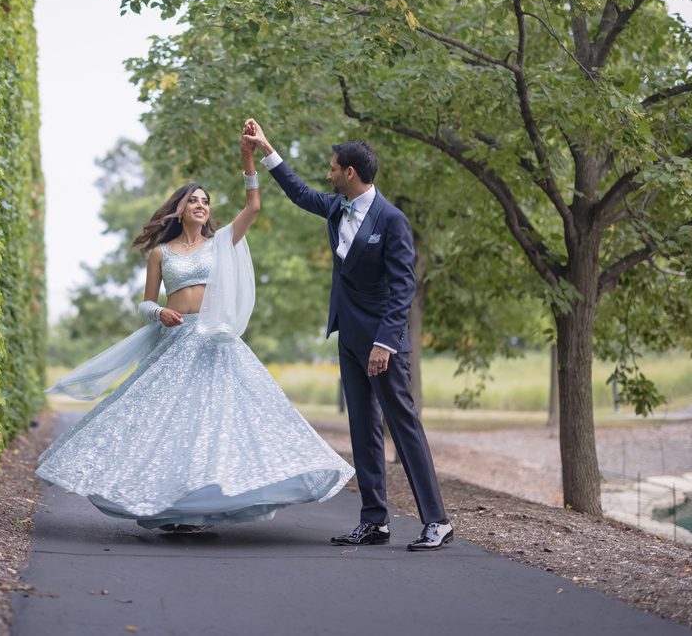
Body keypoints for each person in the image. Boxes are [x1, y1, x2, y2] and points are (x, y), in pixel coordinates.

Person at [36, 129, 354, 533]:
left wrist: (248, 160)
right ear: (180, 209)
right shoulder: (161, 253)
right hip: (174, 342)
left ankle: (201, 507)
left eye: (206, 201)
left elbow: (253, 206)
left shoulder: (221, 242)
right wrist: (158, 315)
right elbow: (146, 302)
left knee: (211, 426)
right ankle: (169, 506)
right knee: (166, 427)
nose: (201, 205)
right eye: (194, 200)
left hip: (214, 343)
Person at [242, 118, 453, 551]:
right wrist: (266, 148)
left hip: (383, 343)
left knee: (403, 425)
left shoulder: (392, 220)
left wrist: (385, 342)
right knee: (363, 429)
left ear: (350, 173)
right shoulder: (337, 207)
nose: (328, 173)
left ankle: (437, 520)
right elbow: (299, 192)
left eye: (333, 167)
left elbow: (402, 287)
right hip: (349, 337)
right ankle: (374, 521)